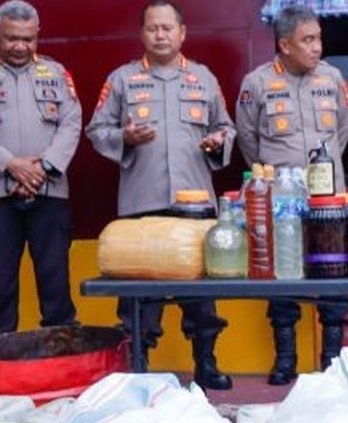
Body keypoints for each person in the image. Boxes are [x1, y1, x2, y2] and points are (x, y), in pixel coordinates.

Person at [86, 0, 236, 390]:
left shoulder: (203, 78)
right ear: (142, 33)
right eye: (153, 28)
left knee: (201, 293)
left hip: (194, 202)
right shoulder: (122, 79)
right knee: (140, 296)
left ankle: (206, 364)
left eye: (168, 28)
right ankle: (138, 370)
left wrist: (218, 140)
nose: (160, 34)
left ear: (182, 32)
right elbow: (96, 131)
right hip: (142, 203)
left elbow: (226, 127)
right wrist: (125, 138)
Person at [236, 5, 348, 385]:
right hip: (281, 198)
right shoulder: (257, 84)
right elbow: (249, 142)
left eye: (318, 38)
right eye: (308, 40)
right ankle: (286, 358)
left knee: (333, 273)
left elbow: (341, 135)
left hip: (327, 199)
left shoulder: (333, 79)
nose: (317, 47)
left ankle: (332, 360)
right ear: (285, 44)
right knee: (281, 276)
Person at [0, 0, 80, 337]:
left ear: (38, 35)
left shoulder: (56, 73)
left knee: (55, 285)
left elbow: (71, 123)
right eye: (12, 38)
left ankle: (62, 359)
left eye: (28, 38)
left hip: (50, 191)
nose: (20, 46)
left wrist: (44, 168)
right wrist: (10, 165)